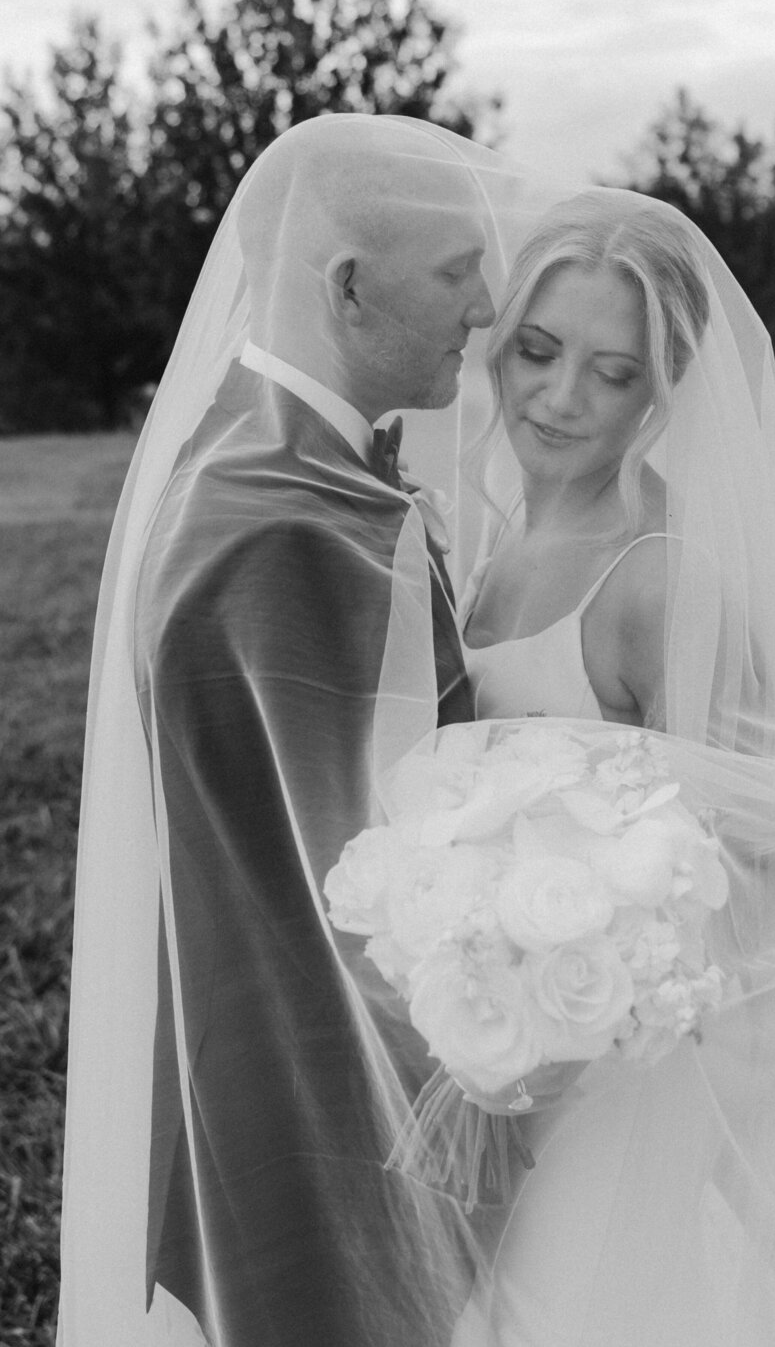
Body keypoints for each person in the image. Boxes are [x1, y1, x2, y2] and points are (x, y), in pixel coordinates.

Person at [57, 114, 501, 1347]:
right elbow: (337, 886)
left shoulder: (268, 457)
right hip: (311, 1105)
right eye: (459, 269)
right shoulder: (281, 528)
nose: (487, 303)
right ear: (349, 286)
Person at [444, 188, 775, 1346]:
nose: (559, 396)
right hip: (484, 1030)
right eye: (537, 350)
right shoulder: (487, 544)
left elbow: (748, 847)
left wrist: (562, 1019)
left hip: (606, 1070)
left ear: (662, 393)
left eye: (612, 372)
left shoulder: (658, 578)